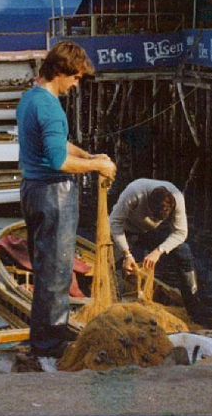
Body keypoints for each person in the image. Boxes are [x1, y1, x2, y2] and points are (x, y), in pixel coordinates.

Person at [17, 40, 116, 360]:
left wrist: (86, 153)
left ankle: (41, 338)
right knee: (58, 273)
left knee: (44, 270)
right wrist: (98, 165)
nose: (76, 85)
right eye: (75, 78)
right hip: (53, 193)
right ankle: (51, 346)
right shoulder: (51, 107)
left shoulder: (30, 98)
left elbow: (55, 144)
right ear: (60, 72)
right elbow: (59, 160)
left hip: (31, 189)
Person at [109, 179, 199, 307]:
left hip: (150, 232)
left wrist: (158, 251)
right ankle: (116, 304)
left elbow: (181, 233)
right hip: (125, 231)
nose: (155, 219)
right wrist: (127, 254)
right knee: (115, 265)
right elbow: (114, 222)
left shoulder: (177, 197)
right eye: (154, 217)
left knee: (183, 251)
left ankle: (193, 303)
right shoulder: (134, 192)